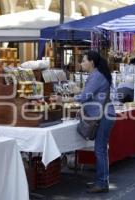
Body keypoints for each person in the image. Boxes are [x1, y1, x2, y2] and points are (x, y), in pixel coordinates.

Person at [55, 50, 116, 193]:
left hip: (103, 116)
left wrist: (64, 99)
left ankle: (102, 183)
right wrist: (78, 92)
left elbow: (84, 97)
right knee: (100, 149)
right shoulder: (97, 75)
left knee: (100, 150)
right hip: (104, 115)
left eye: (83, 60)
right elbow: (88, 94)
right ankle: (102, 181)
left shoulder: (96, 76)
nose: (81, 63)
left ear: (91, 62)